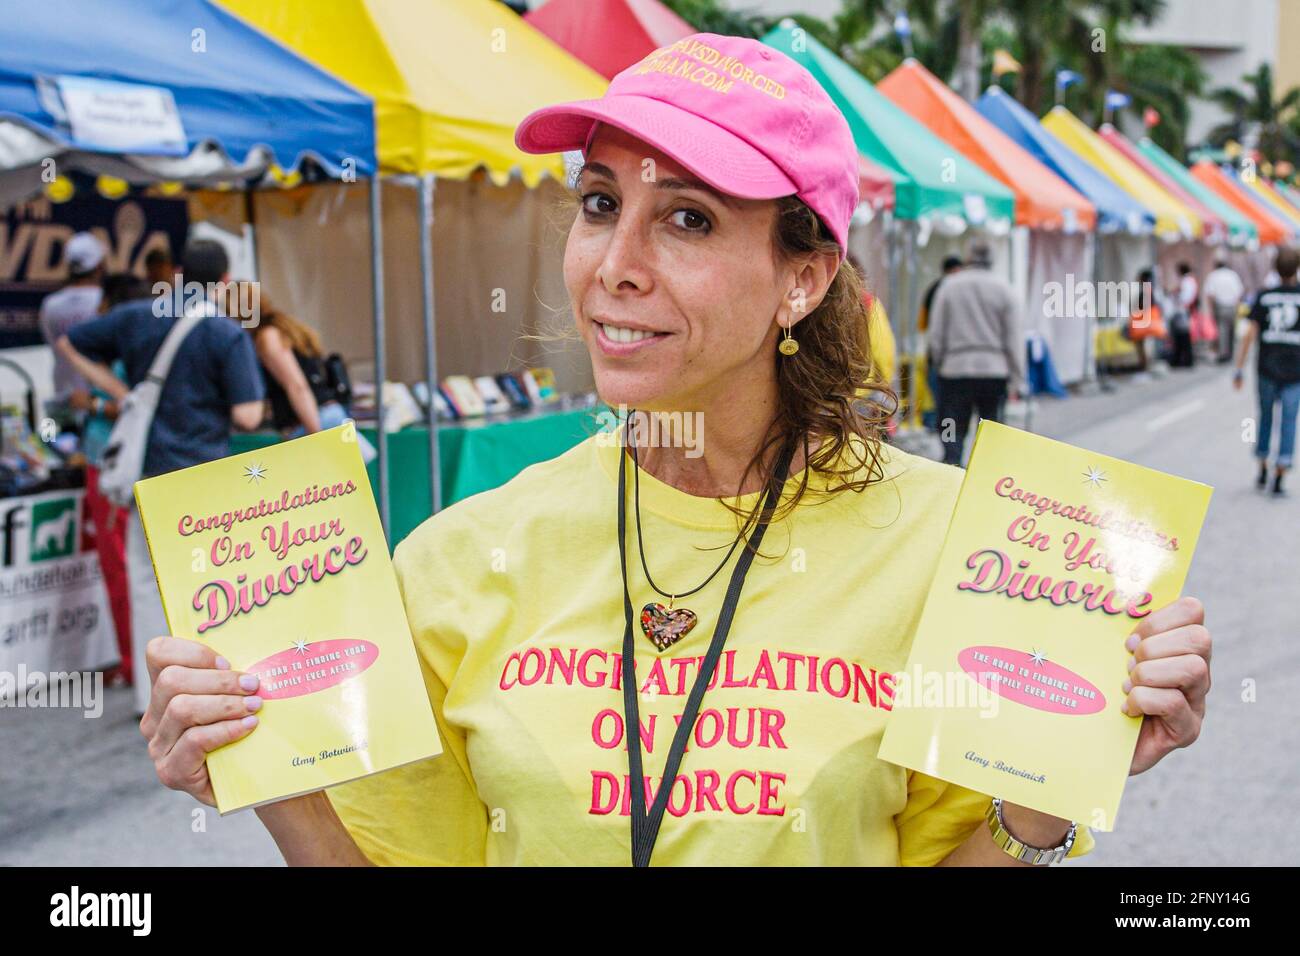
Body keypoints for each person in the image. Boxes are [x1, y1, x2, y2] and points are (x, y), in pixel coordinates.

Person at [139, 33, 1212, 867]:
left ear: (802, 276)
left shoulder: (957, 553)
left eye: (688, 219)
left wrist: (1052, 785)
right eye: (601, 204)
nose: (615, 263)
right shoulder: (457, 557)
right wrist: (269, 766)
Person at [56, 238, 265, 715]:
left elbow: (71, 341)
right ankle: (217, 684)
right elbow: (249, 414)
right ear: (225, 282)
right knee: (215, 579)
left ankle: (153, 696)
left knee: (147, 581)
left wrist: (122, 391)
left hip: (148, 476)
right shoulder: (224, 332)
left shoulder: (137, 315)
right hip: (204, 477)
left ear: (176, 272)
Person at [71, 272, 151, 686]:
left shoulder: (118, 351)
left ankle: (132, 662)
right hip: (141, 464)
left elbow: (130, 406)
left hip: (112, 467)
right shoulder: (148, 342)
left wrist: (92, 404)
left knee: (119, 563)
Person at [928, 241, 1025, 467]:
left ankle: (952, 461)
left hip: (955, 369)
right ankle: (986, 470)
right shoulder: (1005, 290)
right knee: (991, 427)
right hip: (994, 371)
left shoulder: (949, 287)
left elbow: (936, 332)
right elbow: (1014, 339)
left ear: (967, 257)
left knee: (951, 423)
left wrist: (939, 362)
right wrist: (1018, 378)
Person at [221, 283, 344, 435]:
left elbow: (296, 385)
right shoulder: (281, 327)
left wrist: (315, 433)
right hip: (324, 414)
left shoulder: (267, 337)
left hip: (313, 420)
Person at [1233, 245, 1300, 496]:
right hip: (1295, 371)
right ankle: (1281, 469)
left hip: (1266, 369)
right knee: (1289, 422)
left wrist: (1238, 368)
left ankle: (1262, 463)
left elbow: (1250, 334)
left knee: (1265, 417)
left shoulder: (1264, 296)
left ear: (1275, 268)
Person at [39, 232, 106, 410]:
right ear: (99, 265)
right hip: (98, 404)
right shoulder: (104, 302)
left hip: (63, 398)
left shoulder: (50, 305)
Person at [920, 255, 962, 431]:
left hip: (939, 353)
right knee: (950, 401)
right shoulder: (956, 290)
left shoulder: (933, 289)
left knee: (941, 398)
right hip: (955, 355)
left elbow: (922, 324)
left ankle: (940, 430)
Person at [1203, 257, 1245, 364]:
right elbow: (1240, 292)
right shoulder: (1232, 275)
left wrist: (1211, 308)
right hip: (1232, 305)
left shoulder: (1213, 276)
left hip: (1220, 305)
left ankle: (1223, 354)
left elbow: (1210, 294)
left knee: (1222, 331)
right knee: (1231, 330)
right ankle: (1230, 353)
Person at [1166, 263, 1197, 369]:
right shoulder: (1190, 280)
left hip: (1182, 311)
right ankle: (1181, 359)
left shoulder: (1186, 281)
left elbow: (1184, 296)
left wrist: (1175, 294)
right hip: (1184, 310)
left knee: (1182, 337)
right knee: (1182, 337)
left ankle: (1183, 360)